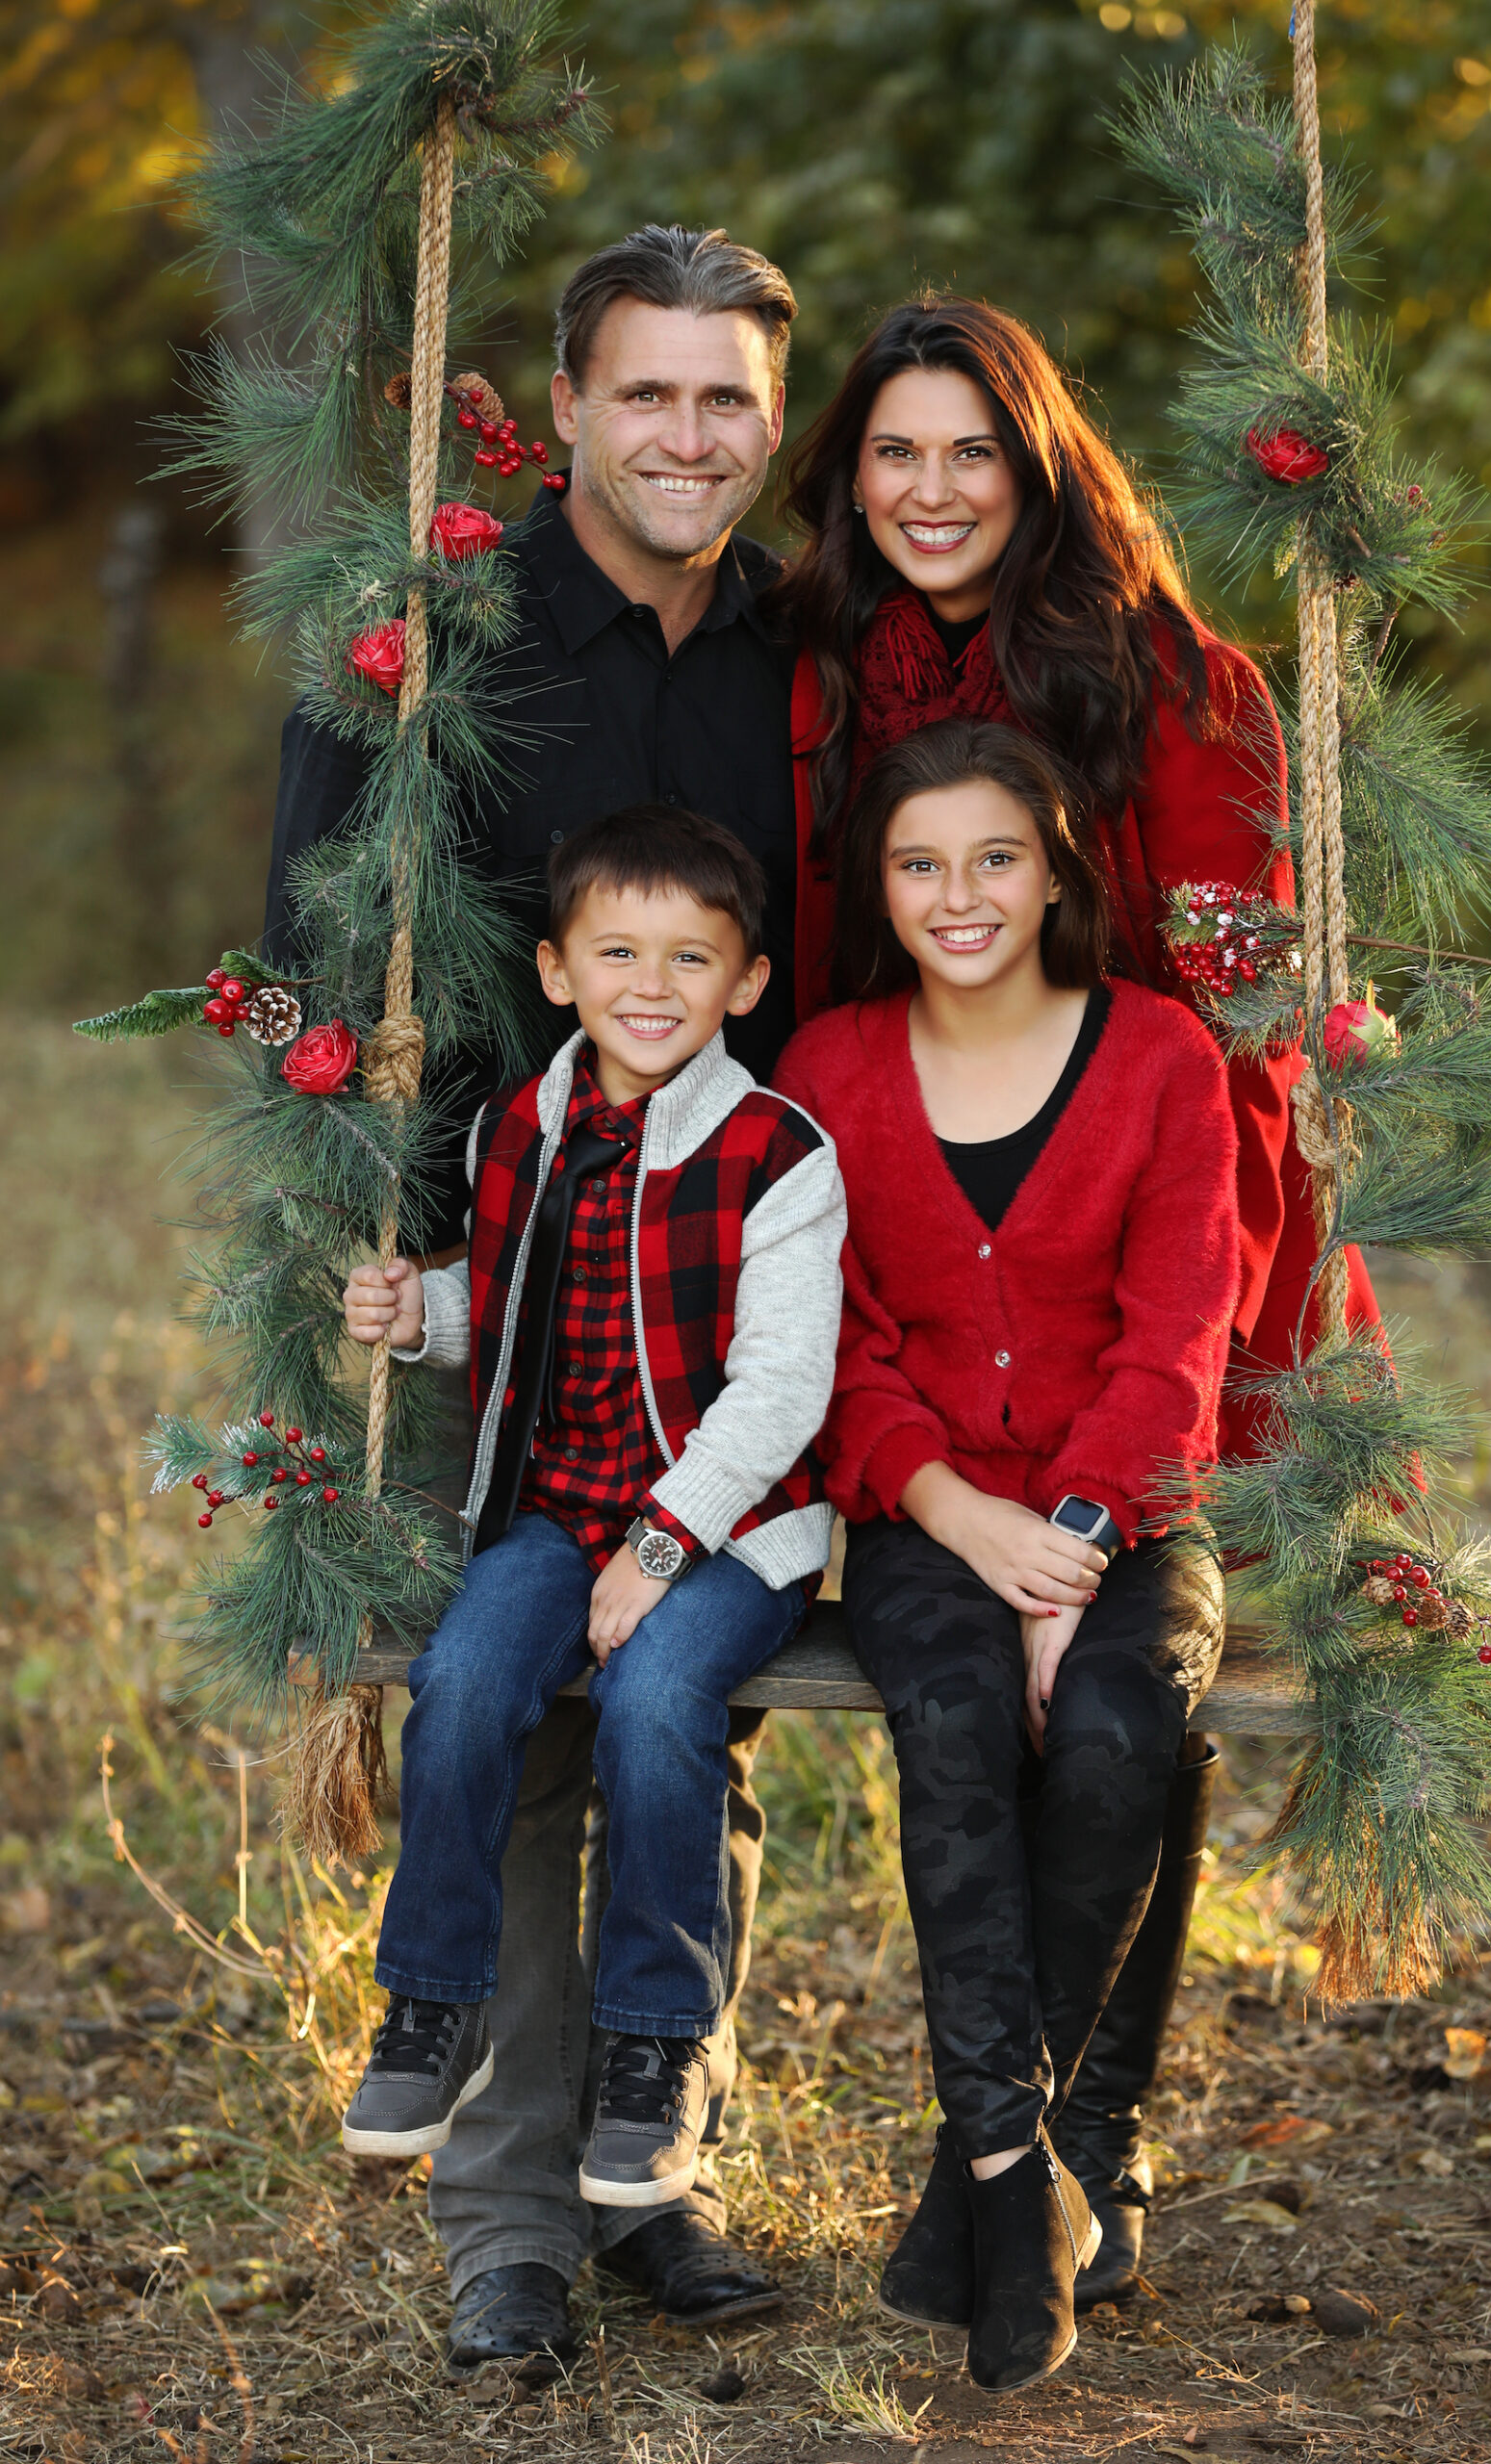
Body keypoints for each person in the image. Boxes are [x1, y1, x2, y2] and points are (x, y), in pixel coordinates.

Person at [767, 293, 1380, 2300]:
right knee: (987, 1693)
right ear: (848, 478)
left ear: (1037, 469)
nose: (932, 489)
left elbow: (1236, 992)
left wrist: (1192, 1284)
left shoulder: (1169, 677)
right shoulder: (823, 669)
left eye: (973, 450)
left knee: (1133, 1700)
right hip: (910, 1246)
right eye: (894, 451)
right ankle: (1030, 2151)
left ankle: (1085, 2142)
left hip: (1151, 1202)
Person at [263, 225, 804, 2370]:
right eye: (644, 391)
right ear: (564, 407)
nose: (688, 435)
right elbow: (321, 945)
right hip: (484, 1285)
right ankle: (508, 2223)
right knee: (516, 1732)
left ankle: (648, 2175)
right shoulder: (438, 644)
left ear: (773, 417)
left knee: (689, 1725)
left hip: (732, 1283)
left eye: (728, 397)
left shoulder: (797, 650)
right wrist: (388, 1266)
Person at [776, 720, 1240, 2392]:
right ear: (879, 887)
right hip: (922, 1516)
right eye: (919, 864)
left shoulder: (1163, 1055)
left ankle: (995, 2175)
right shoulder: (828, 1067)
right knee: (958, 1726)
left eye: (994, 858)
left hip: (1134, 1512)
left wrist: (1077, 1548)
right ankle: (1016, 2170)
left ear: (1056, 872)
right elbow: (826, 1334)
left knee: (1117, 1730)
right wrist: (963, 1518)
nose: (958, 894)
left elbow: (1183, 1327)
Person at [337, 807, 843, 2213]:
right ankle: (433, 2002)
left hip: (730, 1533)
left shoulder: (777, 1152)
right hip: (559, 1512)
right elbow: (511, 1308)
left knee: (657, 1703)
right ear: (557, 971)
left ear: (747, 981)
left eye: (692, 957)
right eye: (617, 952)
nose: (651, 985)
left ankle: (652, 2044)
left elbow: (783, 1390)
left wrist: (661, 1547)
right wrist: (421, 1314)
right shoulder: (518, 1127)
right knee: (463, 1679)